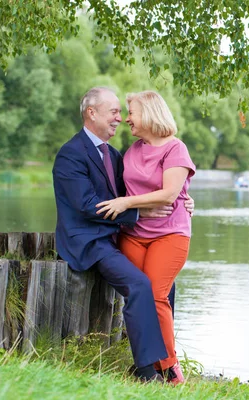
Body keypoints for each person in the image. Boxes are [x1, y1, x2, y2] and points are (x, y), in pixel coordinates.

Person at [52, 87, 194, 383]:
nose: (120, 118)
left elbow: (138, 191)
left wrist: (184, 200)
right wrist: (137, 214)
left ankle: (159, 360)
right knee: (141, 285)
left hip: (116, 236)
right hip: (90, 241)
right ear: (92, 113)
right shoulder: (71, 154)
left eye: (123, 112)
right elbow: (86, 205)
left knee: (165, 288)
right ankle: (149, 370)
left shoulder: (116, 155)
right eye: (114, 112)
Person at [96, 90, 195, 385]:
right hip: (134, 235)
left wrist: (127, 204)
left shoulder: (175, 149)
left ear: (150, 114)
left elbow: (169, 193)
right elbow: (123, 190)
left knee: (156, 295)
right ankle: (146, 366)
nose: (127, 119)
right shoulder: (132, 151)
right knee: (139, 297)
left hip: (170, 234)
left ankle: (170, 367)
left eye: (131, 113)